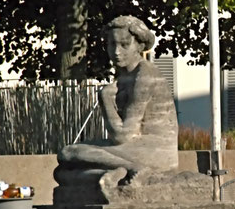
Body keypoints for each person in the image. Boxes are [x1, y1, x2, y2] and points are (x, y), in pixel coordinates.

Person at [55, 15, 178, 184]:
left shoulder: (145, 74)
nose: (117, 52)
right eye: (112, 44)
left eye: (125, 45)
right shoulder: (125, 77)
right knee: (61, 173)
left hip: (157, 151)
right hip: (136, 148)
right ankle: (110, 175)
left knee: (69, 153)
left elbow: (123, 136)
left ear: (139, 45)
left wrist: (105, 98)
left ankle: (133, 168)